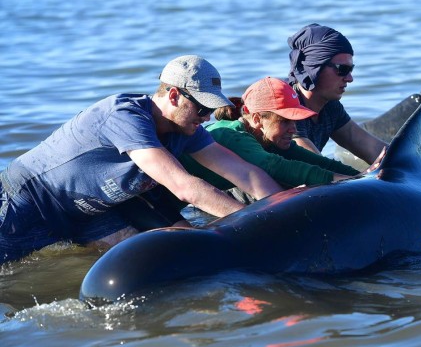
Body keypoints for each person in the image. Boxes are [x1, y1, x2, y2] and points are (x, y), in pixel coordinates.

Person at [0, 55, 283, 264]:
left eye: (210, 109)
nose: (206, 117)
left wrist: (281, 212)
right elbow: (184, 187)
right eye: (201, 107)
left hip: (90, 213)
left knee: (172, 255)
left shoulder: (185, 129)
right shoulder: (125, 115)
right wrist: (251, 227)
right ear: (173, 95)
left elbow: (244, 173)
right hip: (27, 200)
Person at [179, 76, 360, 202]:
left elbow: (317, 162)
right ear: (257, 119)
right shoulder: (232, 136)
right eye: (284, 121)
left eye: (295, 120)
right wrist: (344, 182)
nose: (293, 129)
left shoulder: (269, 138)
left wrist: (361, 177)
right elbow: (277, 166)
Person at [287, 23, 387, 165]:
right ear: (314, 68)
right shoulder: (286, 106)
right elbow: (319, 168)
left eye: (351, 69)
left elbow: (371, 148)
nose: (350, 78)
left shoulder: (330, 107)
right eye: (342, 69)